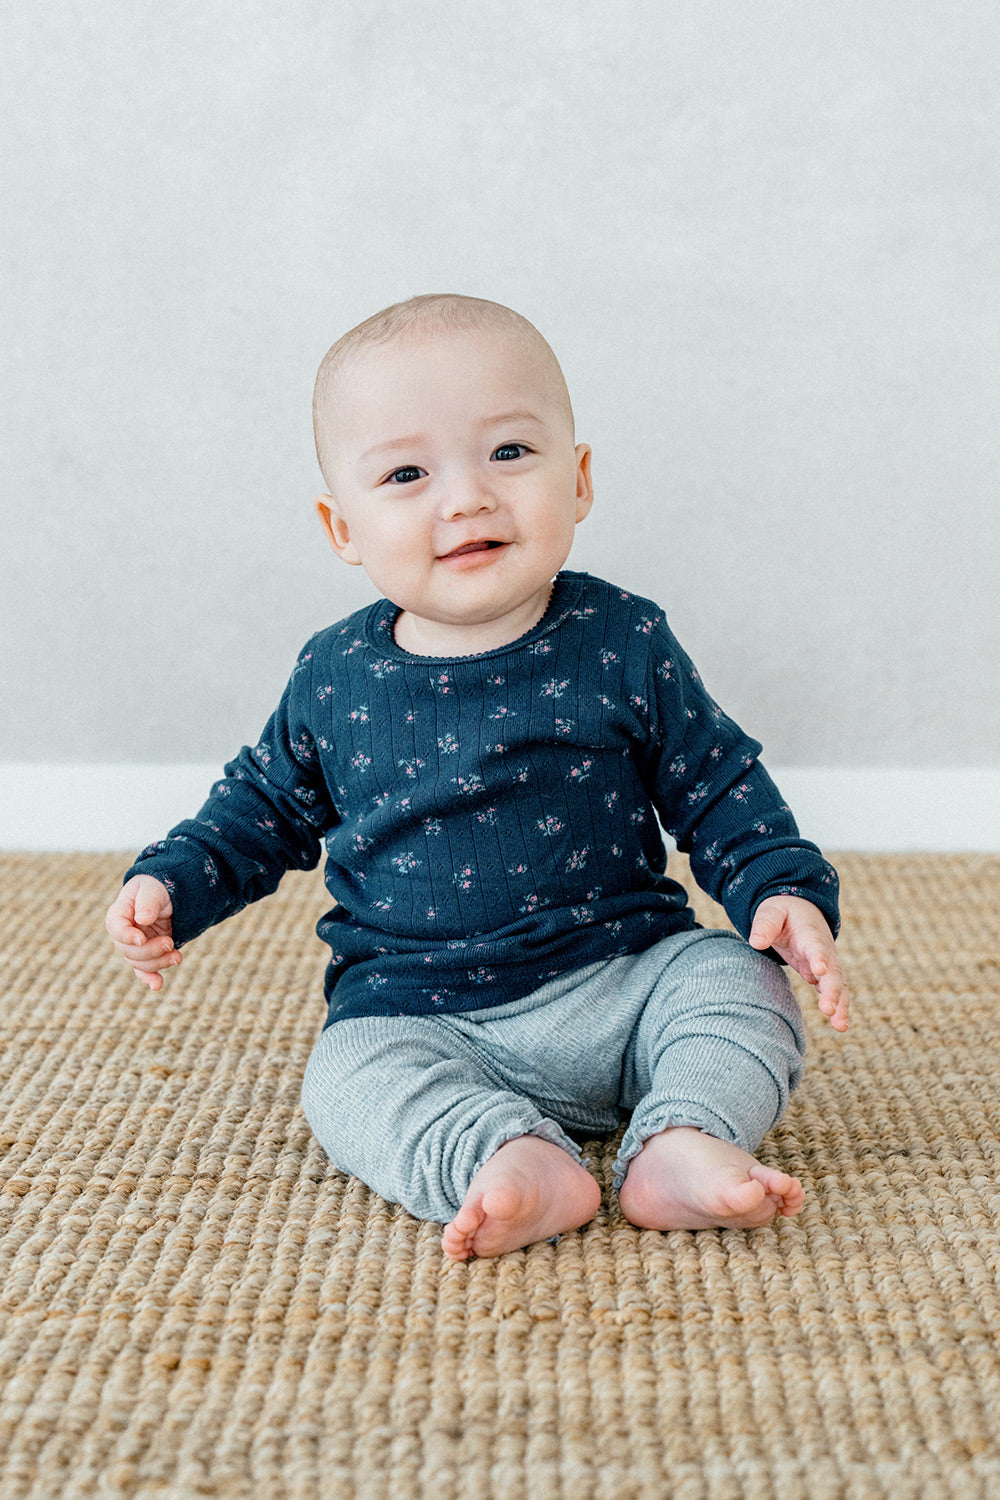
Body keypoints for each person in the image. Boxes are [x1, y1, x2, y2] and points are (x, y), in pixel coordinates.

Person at [106, 293, 849, 1261]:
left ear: (577, 479)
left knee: (737, 981)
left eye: (508, 453)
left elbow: (714, 780)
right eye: (406, 473)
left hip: (625, 976)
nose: (465, 498)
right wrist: (172, 881)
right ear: (343, 527)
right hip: (422, 1012)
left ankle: (682, 1136)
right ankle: (505, 1158)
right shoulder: (335, 675)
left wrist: (781, 887)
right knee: (346, 1080)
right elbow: (261, 807)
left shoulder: (620, 637)